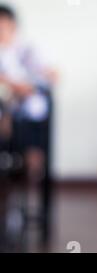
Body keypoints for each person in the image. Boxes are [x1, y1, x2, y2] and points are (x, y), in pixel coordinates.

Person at [0, 5, 56, 181]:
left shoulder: (26, 50)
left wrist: (46, 75)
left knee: (36, 106)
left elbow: (47, 73)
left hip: (23, 111)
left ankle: (30, 159)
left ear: (13, 26)